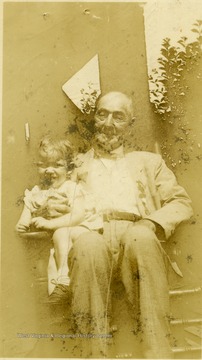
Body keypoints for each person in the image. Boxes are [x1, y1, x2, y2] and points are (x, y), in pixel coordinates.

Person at [39, 92, 193, 358]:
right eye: (103, 114)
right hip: (92, 236)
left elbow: (181, 203)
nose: (109, 122)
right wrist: (51, 208)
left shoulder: (148, 162)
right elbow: (49, 199)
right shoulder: (75, 165)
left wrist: (150, 223)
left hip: (136, 235)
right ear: (94, 118)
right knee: (87, 245)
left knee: (141, 238)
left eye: (118, 116)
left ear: (130, 124)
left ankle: (158, 355)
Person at [16, 135, 102, 300]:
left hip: (84, 228)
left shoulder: (71, 188)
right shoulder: (37, 191)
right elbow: (28, 208)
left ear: (69, 170)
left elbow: (77, 215)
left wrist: (49, 224)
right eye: (44, 165)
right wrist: (23, 222)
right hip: (60, 235)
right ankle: (60, 286)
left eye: (57, 165)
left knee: (61, 233)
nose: (49, 170)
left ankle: (65, 277)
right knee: (58, 238)